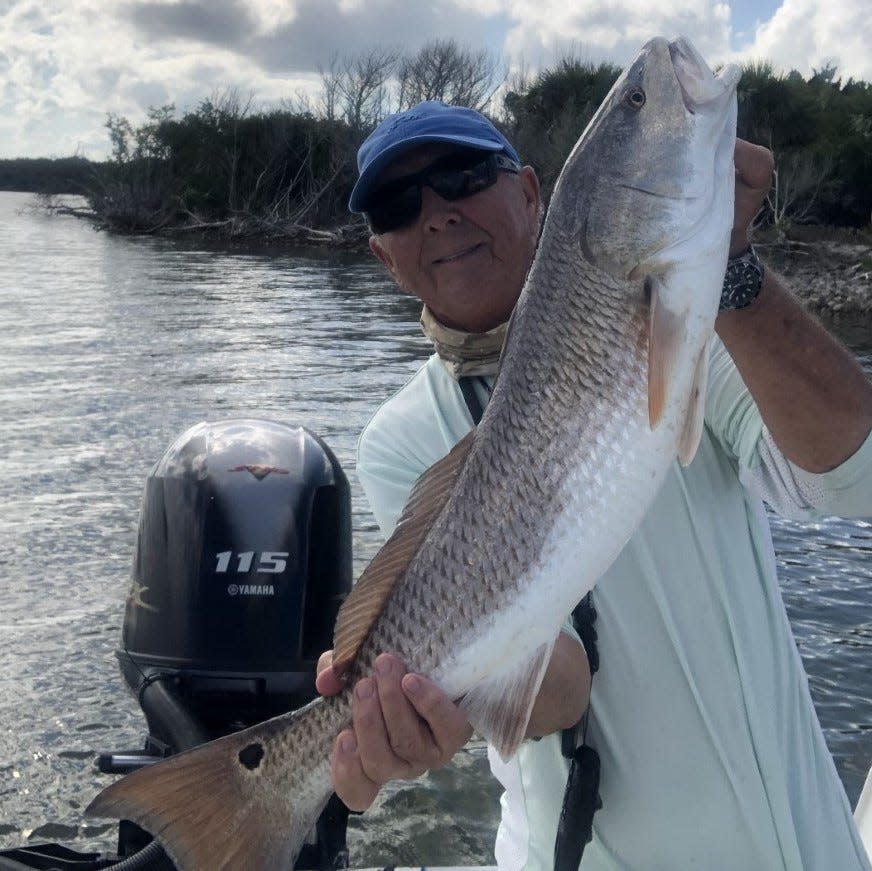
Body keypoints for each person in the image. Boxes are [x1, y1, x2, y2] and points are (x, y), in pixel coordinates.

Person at [316, 100, 872, 869]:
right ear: (383, 254)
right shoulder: (403, 437)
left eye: (464, 176)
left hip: (811, 845)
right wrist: (410, 714)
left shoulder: (687, 319)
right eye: (398, 204)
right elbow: (561, 689)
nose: (437, 214)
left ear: (534, 193)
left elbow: (855, 478)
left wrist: (733, 266)